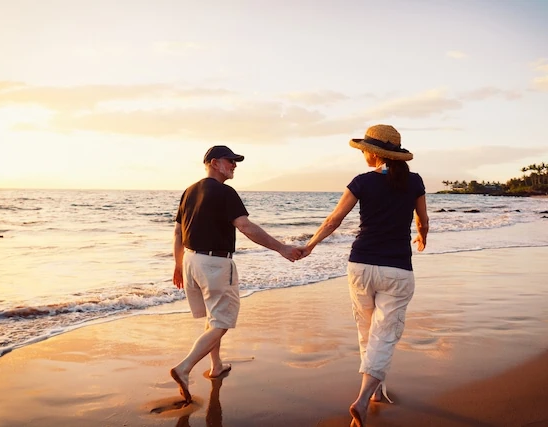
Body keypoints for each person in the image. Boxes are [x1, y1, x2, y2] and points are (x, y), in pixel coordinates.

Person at [300, 125, 429, 427]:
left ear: (373, 154)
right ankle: (363, 398)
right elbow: (422, 219)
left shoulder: (361, 182)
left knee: (366, 331)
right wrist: (423, 238)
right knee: (384, 335)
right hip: (396, 269)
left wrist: (310, 245)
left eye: (364, 152)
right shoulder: (414, 182)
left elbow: (334, 219)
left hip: (360, 266)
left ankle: (376, 392)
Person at [170, 145, 302, 404]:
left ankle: (216, 365)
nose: (234, 165)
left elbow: (177, 233)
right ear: (214, 162)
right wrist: (282, 248)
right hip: (215, 264)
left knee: (212, 316)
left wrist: (178, 266)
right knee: (221, 322)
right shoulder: (225, 192)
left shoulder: (189, 191)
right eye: (230, 161)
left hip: (190, 260)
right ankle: (184, 367)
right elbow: (245, 226)